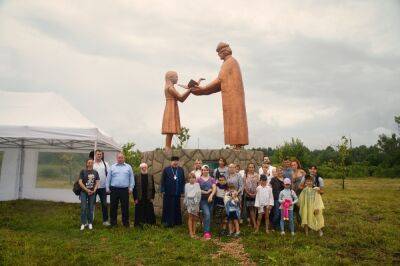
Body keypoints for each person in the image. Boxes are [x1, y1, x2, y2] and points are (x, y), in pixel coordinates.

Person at [191, 42, 249, 149]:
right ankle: (236, 144)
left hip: (233, 98)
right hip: (231, 97)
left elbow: (220, 80)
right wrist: (203, 91)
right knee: (233, 118)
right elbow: (221, 84)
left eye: (219, 54)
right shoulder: (231, 62)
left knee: (235, 118)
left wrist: (204, 89)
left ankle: (238, 144)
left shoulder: (229, 62)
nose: (219, 56)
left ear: (223, 51)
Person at [161, 71, 192, 150]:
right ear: (171, 78)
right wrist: (190, 90)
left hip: (171, 105)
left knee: (170, 128)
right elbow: (181, 97)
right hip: (170, 107)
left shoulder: (169, 87)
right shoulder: (170, 88)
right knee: (170, 128)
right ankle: (167, 146)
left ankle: (168, 146)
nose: (177, 78)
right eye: (176, 77)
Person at [106, 153, 135, 227]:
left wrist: (131, 188)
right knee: (113, 207)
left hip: (124, 190)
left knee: (125, 207)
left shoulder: (128, 167)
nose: (120, 159)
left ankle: (125, 223)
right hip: (114, 189)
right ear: (117, 158)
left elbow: (131, 178)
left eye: (121, 157)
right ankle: (113, 223)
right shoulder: (112, 167)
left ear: (124, 158)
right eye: (119, 158)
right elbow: (108, 178)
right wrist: (107, 188)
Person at [161, 156, 185, 227]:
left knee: (176, 207)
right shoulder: (166, 169)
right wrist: (163, 190)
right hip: (168, 192)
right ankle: (167, 223)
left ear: (178, 162)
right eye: (173, 161)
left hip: (177, 192)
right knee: (168, 207)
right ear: (171, 162)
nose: (175, 162)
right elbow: (163, 180)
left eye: (176, 161)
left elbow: (183, 180)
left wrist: (182, 190)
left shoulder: (181, 170)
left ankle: (177, 222)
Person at [78, 158, 100, 230]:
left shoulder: (95, 172)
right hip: (84, 192)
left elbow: (97, 182)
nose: (90, 164)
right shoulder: (83, 171)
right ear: (87, 164)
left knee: (91, 208)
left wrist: (94, 190)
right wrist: (87, 190)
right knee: (83, 208)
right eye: (89, 162)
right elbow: (80, 182)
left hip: (92, 193)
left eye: (91, 162)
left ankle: (90, 223)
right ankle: (83, 223)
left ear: (93, 164)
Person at [133, 163, 156, 227]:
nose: (144, 168)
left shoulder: (150, 176)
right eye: (142, 167)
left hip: (148, 197)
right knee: (139, 212)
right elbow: (134, 188)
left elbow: (153, 187)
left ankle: (150, 224)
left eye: (145, 167)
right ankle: (139, 224)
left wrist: (152, 197)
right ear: (140, 168)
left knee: (149, 211)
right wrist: (135, 198)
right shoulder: (136, 176)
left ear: (147, 168)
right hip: (139, 197)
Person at [197, 165, 216, 239]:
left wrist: (211, 195)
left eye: (207, 170)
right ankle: (206, 233)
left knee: (209, 215)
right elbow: (197, 189)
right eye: (204, 170)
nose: (205, 171)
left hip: (211, 200)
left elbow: (214, 188)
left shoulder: (212, 179)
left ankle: (206, 228)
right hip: (203, 200)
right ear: (202, 171)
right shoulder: (198, 179)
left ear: (209, 171)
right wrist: (206, 192)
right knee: (207, 214)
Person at [93, 149, 110, 226]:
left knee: (104, 204)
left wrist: (108, 186)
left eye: (100, 154)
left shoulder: (105, 164)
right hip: (93, 188)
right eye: (98, 154)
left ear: (102, 155)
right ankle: (90, 220)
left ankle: (105, 221)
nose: (99, 155)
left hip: (103, 187)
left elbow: (109, 175)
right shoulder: (92, 164)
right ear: (95, 155)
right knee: (91, 204)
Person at [184, 172, 201, 238]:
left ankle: (194, 232)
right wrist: (186, 202)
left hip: (196, 203)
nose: (192, 179)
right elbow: (186, 194)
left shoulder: (197, 185)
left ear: (195, 178)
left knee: (195, 218)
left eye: (193, 178)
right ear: (188, 179)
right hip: (189, 203)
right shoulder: (186, 185)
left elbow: (199, 194)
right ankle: (190, 232)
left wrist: (197, 203)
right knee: (190, 217)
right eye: (190, 178)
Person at [244, 163, 259, 228]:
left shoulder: (257, 175)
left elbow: (258, 184)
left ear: (254, 168)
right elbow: (244, 185)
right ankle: (254, 224)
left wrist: (255, 193)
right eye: (250, 167)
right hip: (248, 194)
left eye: (252, 167)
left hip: (256, 194)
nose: (251, 169)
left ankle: (253, 222)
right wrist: (248, 193)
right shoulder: (245, 175)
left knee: (255, 208)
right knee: (251, 209)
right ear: (248, 168)